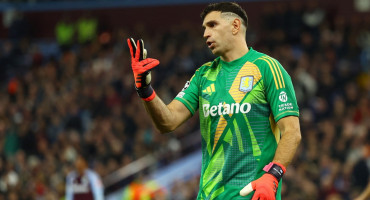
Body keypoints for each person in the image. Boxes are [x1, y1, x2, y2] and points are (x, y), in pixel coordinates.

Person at [127, 2, 301, 199]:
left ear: (235, 26)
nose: (205, 34)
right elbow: (168, 121)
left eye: (212, 25)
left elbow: (292, 132)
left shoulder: (267, 68)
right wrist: (144, 89)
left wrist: (273, 175)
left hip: (252, 195)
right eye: (204, 28)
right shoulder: (203, 75)